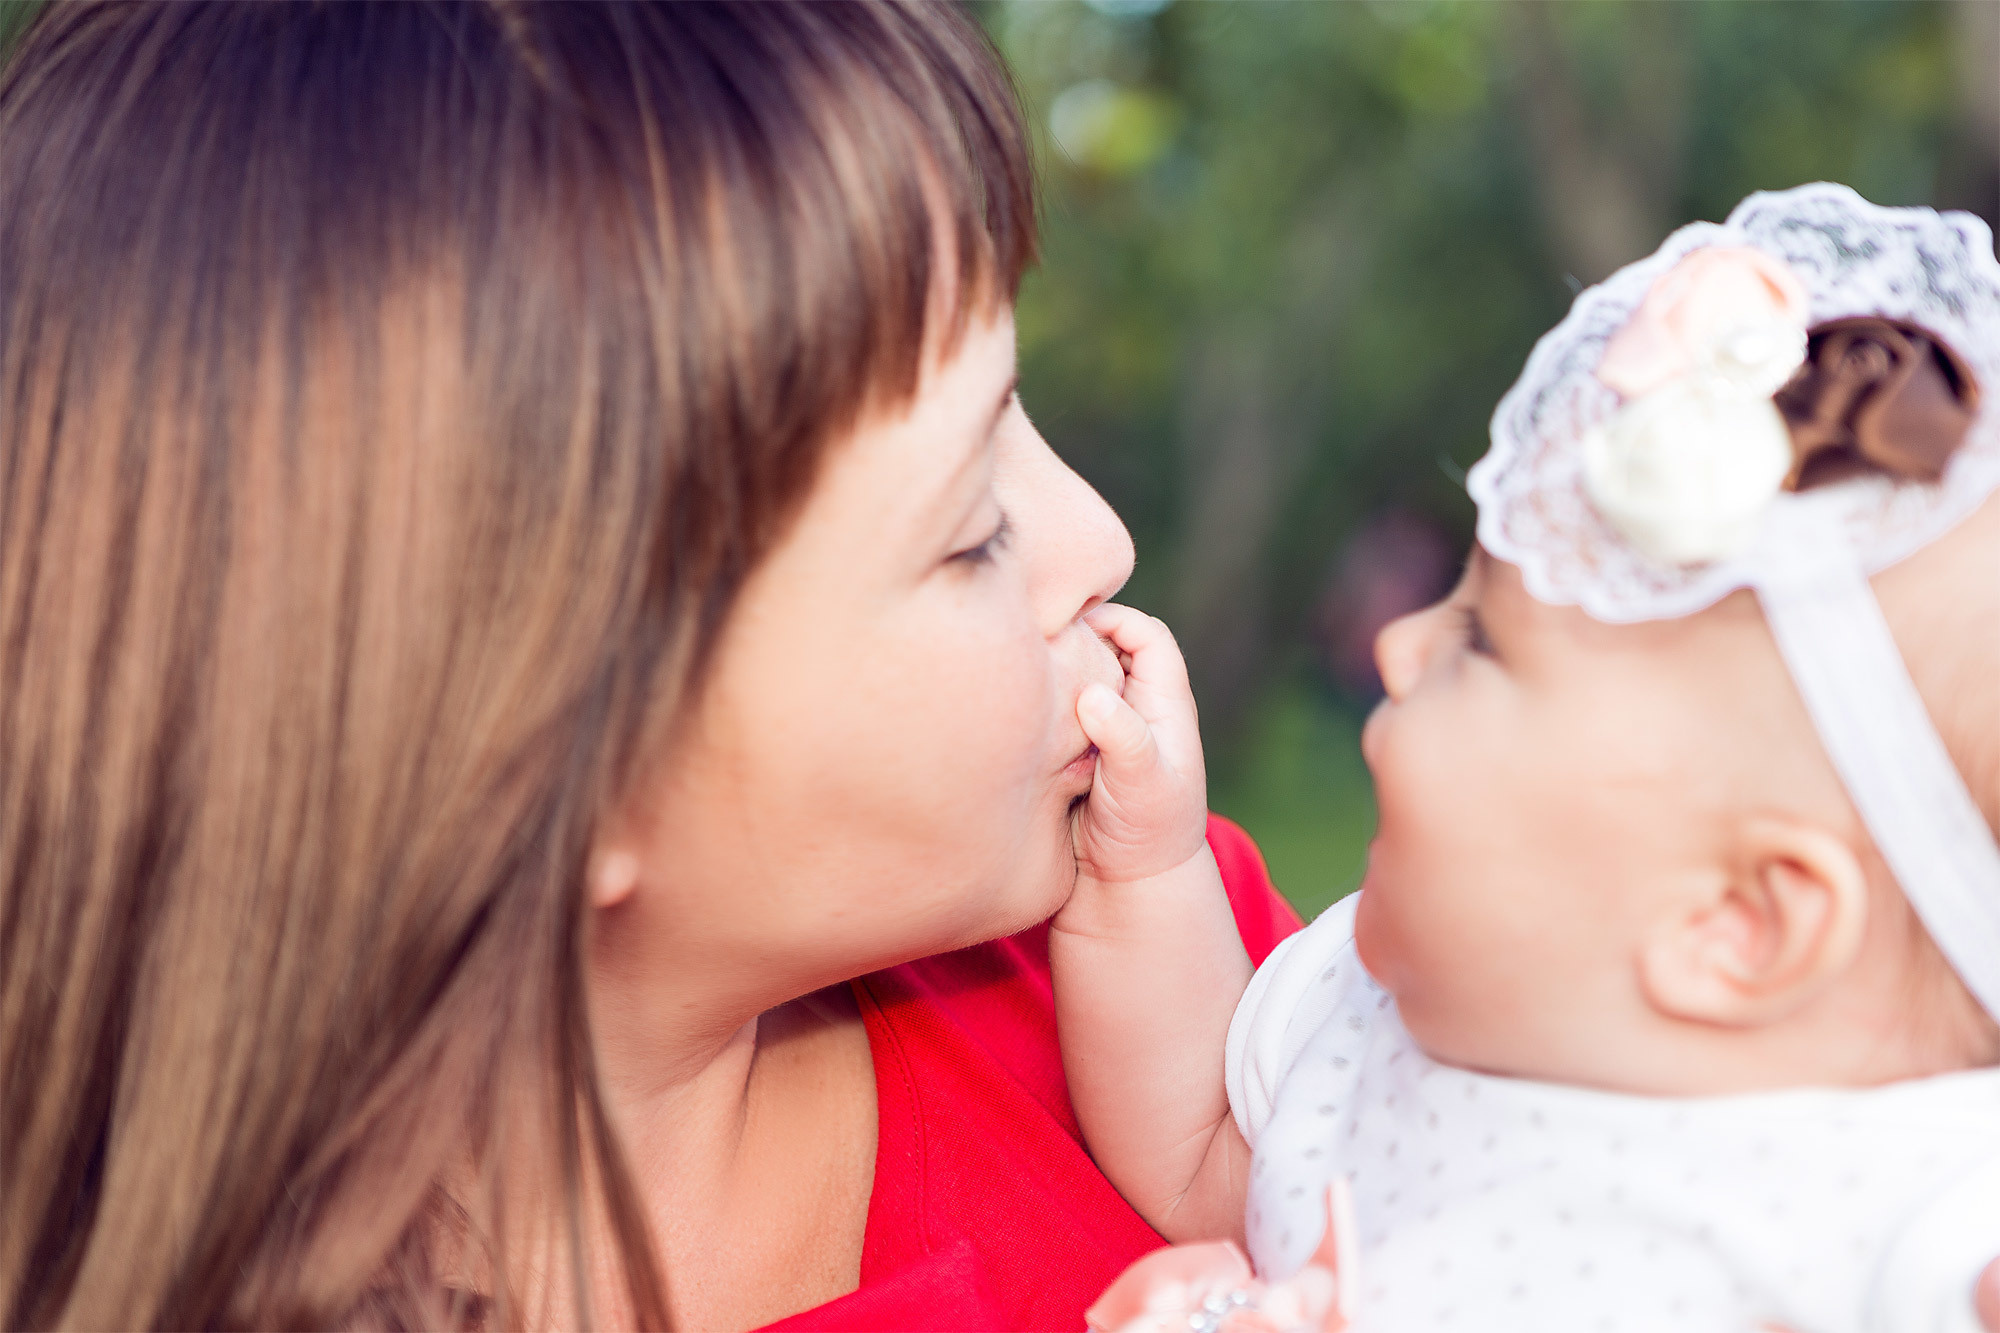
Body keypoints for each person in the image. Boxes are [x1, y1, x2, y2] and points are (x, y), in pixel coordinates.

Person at [0, 3, 1306, 1328]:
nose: (1101, 536)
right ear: (527, 776)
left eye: (1023, 408)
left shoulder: (1182, 964)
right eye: (971, 532)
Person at [1052, 187, 2000, 1331]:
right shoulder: (1370, 1023)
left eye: (1480, 640)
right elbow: (1189, 1158)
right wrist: (1148, 873)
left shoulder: (1917, 1217)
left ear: (1738, 921)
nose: (1400, 643)